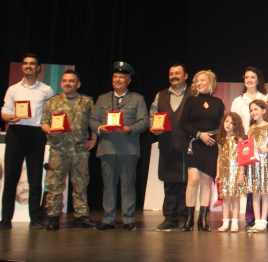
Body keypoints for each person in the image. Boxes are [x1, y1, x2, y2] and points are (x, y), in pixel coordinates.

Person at [0, 53, 55, 231]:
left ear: (38, 68)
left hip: (36, 134)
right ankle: (5, 219)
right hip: (16, 132)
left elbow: (51, 114)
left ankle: (35, 219)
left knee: (35, 179)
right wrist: (10, 118)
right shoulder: (13, 89)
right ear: (22, 66)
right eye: (25, 63)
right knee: (10, 178)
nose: (28, 66)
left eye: (32, 64)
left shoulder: (47, 90)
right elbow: (4, 112)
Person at [89, 62, 149, 231]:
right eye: (115, 77)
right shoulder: (103, 98)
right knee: (108, 185)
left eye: (122, 77)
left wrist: (130, 129)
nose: (118, 80)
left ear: (129, 80)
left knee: (128, 185)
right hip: (107, 148)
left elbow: (144, 121)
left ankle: (128, 219)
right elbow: (92, 120)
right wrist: (100, 128)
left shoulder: (137, 99)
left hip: (128, 149)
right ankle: (108, 219)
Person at [41, 69, 97, 230]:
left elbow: (94, 122)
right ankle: (53, 216)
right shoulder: (52, 102)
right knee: (54, 184)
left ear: (78, 84)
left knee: (81, 183)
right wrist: (49, 130)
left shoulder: (87, 102)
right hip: (58, 149)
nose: (68, 83)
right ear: (61, 83)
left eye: (71, 81)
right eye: (65, 81)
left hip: (80, 149)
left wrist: (93, 139)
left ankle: (81, 216)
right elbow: (44, 122)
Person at [179, 70, 225, 232]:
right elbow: (183, 123)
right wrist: (199, 134)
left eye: (202, 80)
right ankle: (189, 220)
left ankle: (202, 220)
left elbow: (221, 125)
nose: (199, 83)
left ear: (211, 83)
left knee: (206, 181)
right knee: (193, 181)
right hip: (195, 143)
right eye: (197, 81)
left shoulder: (219, 103)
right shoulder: (191, 100)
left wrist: (216, 140)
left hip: (211, 144)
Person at [229, 67, 268, 230]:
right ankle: (253, 219)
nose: (249, 80)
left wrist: (264, 149)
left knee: (265, 189)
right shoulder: (238, 101)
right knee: (252, 187)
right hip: (246, 144)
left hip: (264, 150)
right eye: (246, 77)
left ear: (258, 79)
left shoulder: (266, 98)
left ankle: (266, 219)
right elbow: (234, 122)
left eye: (253, 77)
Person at [149, 64, 192, 231]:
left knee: (185, 183)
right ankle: (169, 217)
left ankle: (183, 217)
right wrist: (153, 127)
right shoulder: (160, 95)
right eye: (171, 73)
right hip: (166, 144)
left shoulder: (193, 94)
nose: (174, 76)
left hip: (187, 145)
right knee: (169, 183)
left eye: (177, 73)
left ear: (185, 76)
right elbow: (152, 116)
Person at [244, 100, 268, 233]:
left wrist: (263, 150)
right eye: (251, 110)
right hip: (253, 165)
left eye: (256, 109)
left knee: (264, 193)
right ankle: (256, 221)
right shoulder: (251, 128)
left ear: (264, 110)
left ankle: (263, 221)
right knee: (255, 192)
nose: (253, 112)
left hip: (265, 163)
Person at [216, 112, 246, 232]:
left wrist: (241, 173)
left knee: (235, 198)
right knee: (225, 198)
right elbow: (219, 157)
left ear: (236, 125)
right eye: (227, 121)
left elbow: (242, 157)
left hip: (235, 172)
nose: (228, 124)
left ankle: (235, 222)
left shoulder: (238, 139)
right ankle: (225, 222)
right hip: (224, 173)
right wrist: (218, 173)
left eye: (232, 123)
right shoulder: (221, 140)